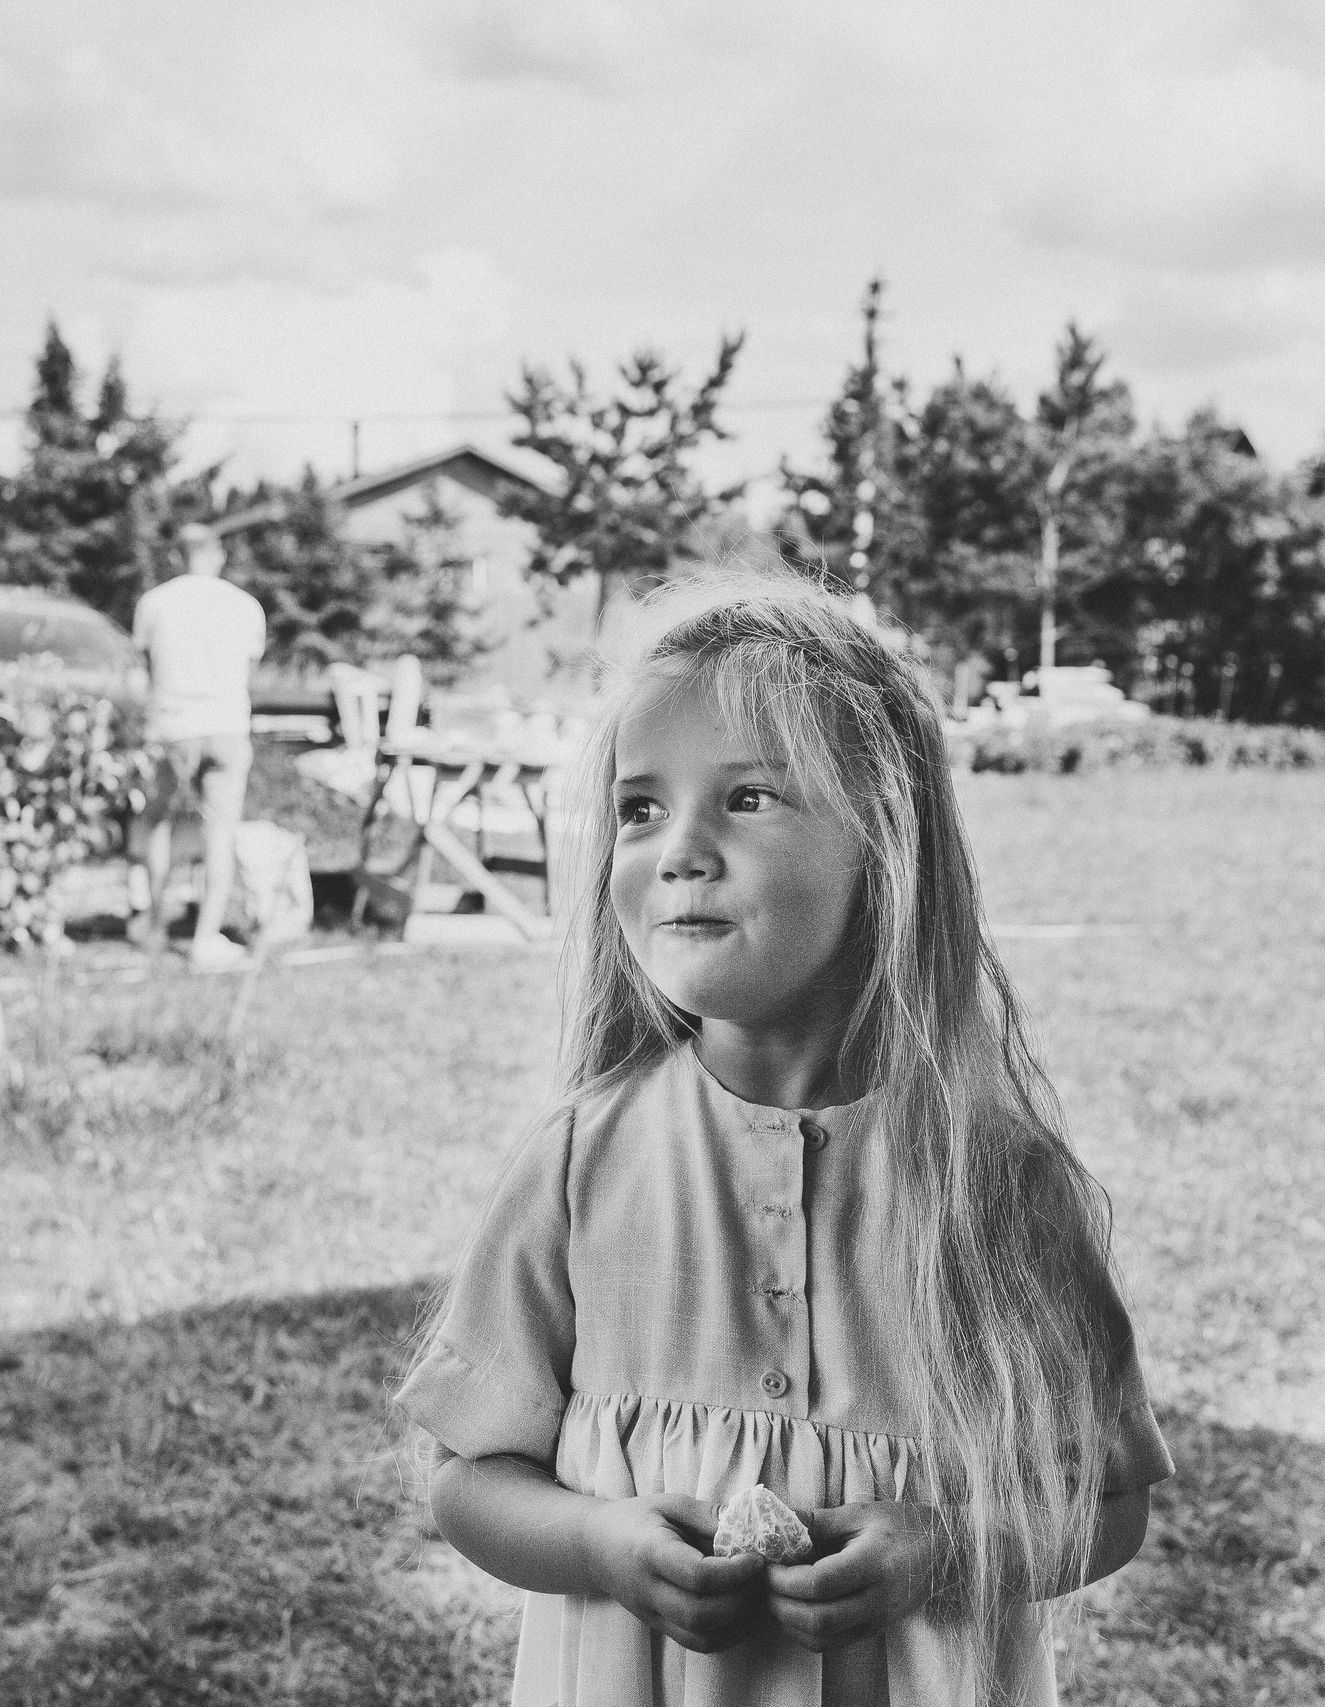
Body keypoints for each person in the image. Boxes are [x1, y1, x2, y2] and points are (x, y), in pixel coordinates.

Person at [395, 574, 1170, 1705]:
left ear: (883, 843)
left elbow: (1104, 1500)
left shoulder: (994, 1181)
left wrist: (943, 1548)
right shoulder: (577, 1163)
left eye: (748, 797)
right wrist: (602, 1543)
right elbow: (471, 1483)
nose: (680, 849)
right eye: (641, 808)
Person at [131, 521, 266, 970]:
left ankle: (153, 923)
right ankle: (205, 939)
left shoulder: (154, 602)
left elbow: (145, 664)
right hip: (226, 724)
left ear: (176, 557)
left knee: (159, 821)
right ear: (219, 555)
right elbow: (249, 665)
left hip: (172, 726)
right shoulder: (245, 605)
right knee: (219, 832)